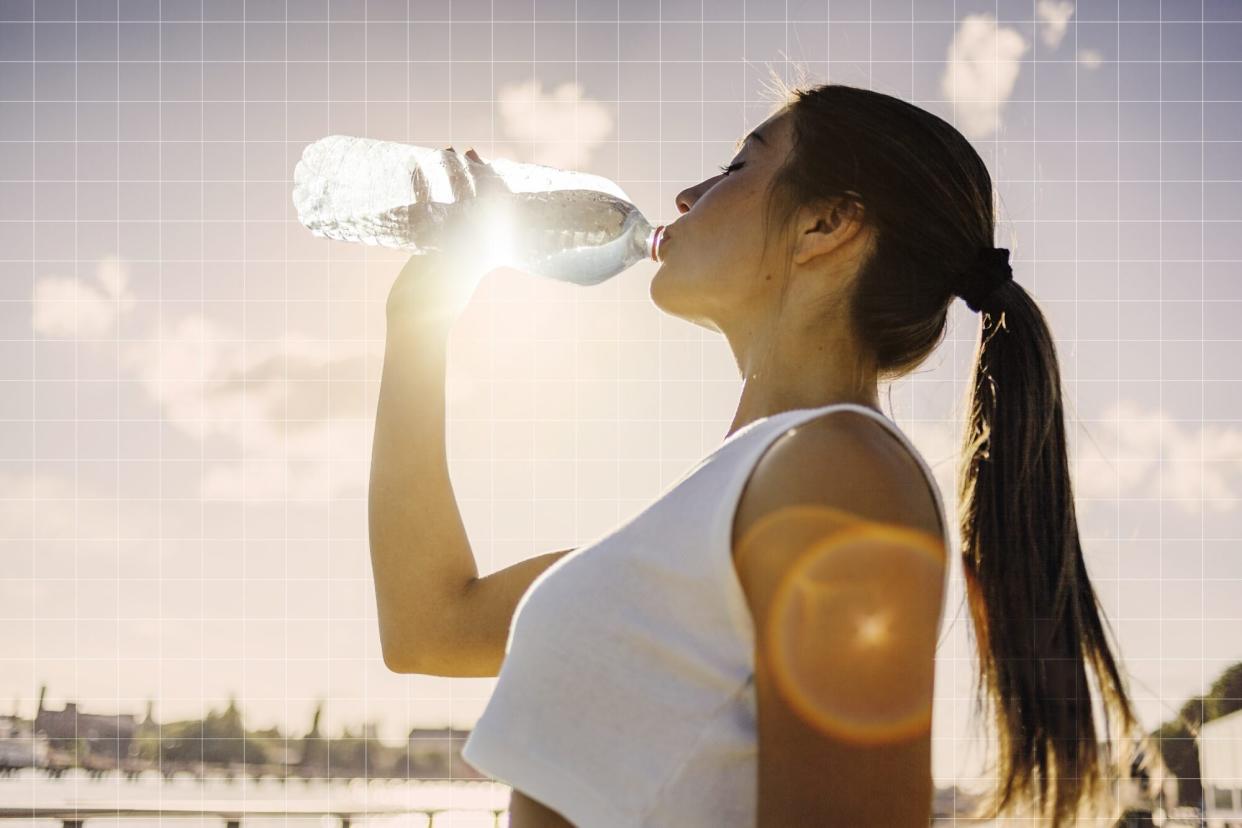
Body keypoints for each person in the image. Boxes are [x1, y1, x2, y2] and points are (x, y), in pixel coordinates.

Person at [367, 83, 1137, 826]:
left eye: (738, 167)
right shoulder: (746, 488)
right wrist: (418, 321)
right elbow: (431, 626)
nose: (686, 196)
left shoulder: (840, 473)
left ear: (826, 224)